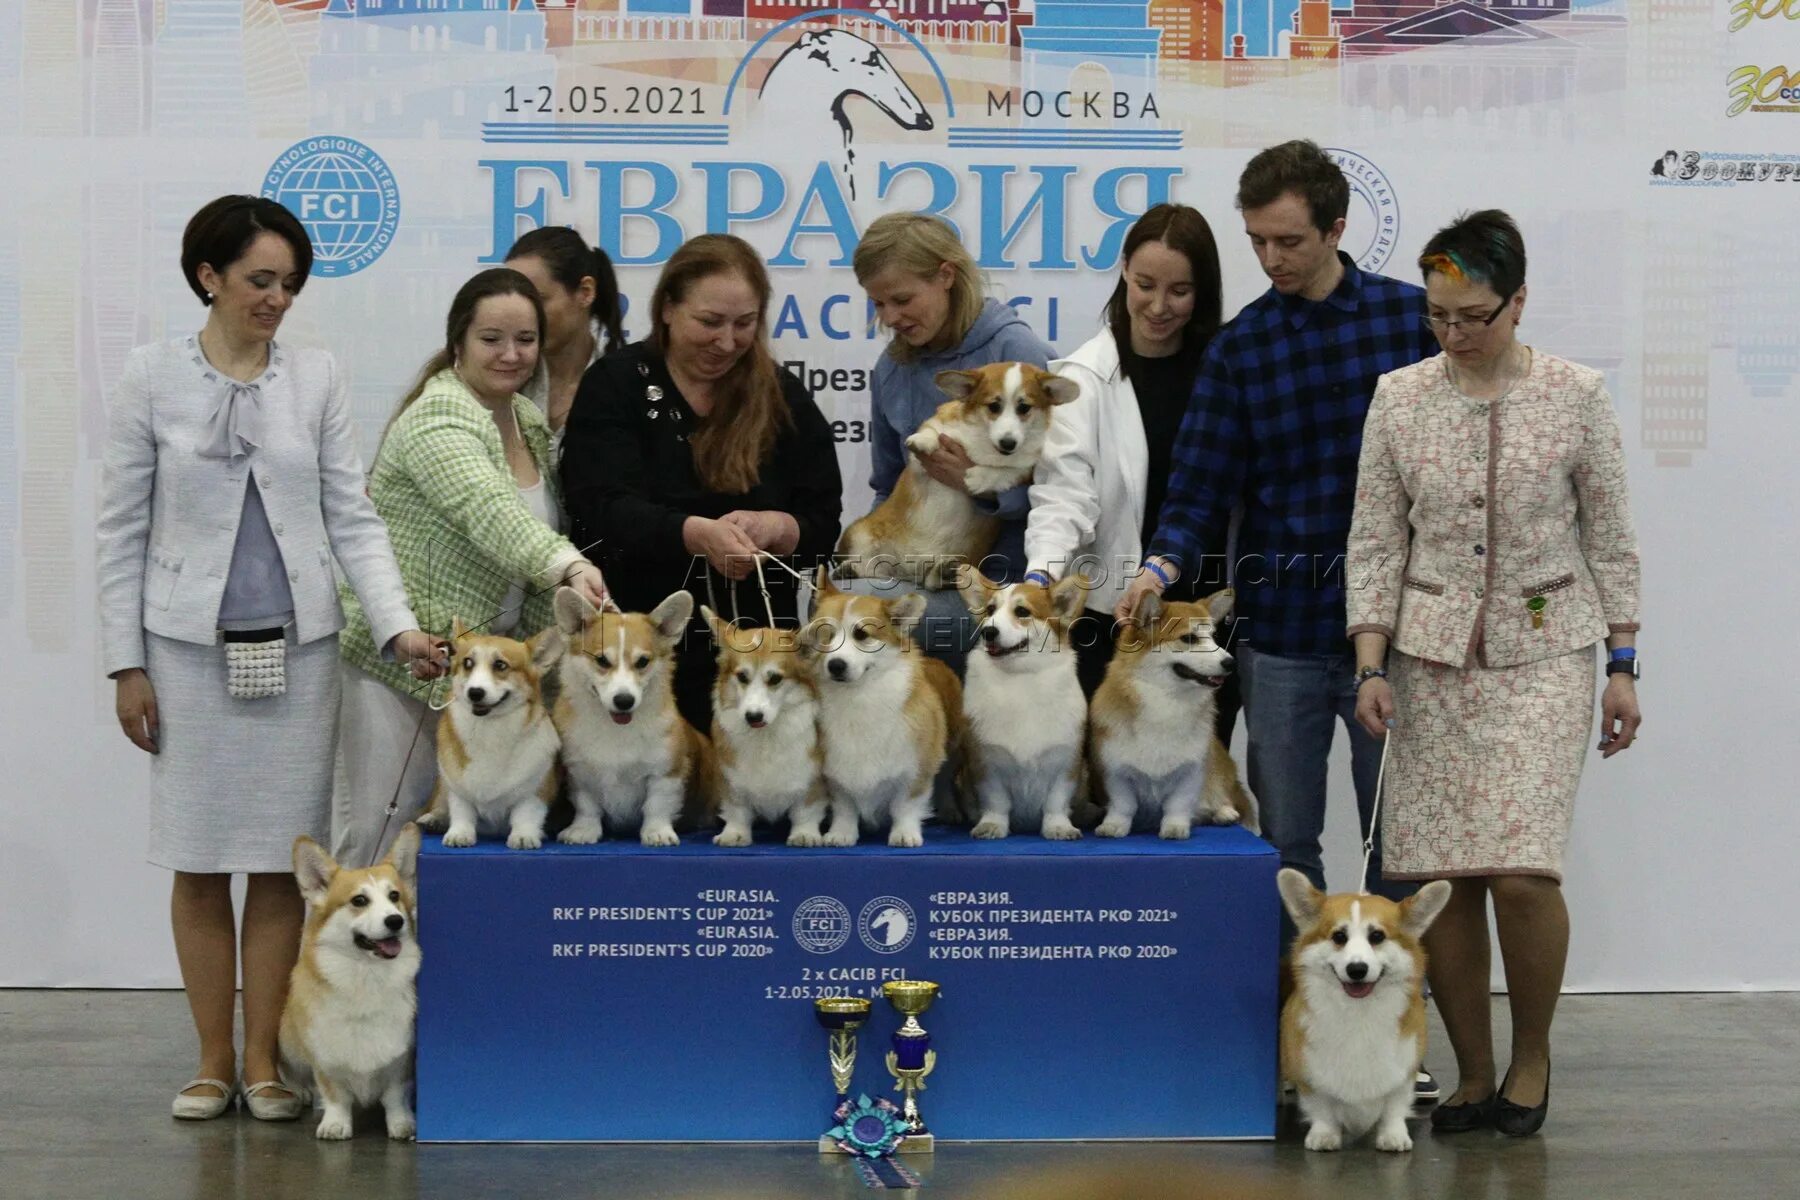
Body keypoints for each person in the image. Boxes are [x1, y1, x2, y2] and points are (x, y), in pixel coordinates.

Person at [96, 196, 440, 1122]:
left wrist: (399, 624)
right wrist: (124, 662)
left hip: (302, 651)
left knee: (284, 867)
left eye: (289, 283)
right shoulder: (148, 377)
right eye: (260, 280)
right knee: (202, 861)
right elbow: (120, 529)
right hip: (183, 654)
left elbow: (351, 517)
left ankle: (263, 1063)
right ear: (208, 276)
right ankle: (210, 1061)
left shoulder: (316, 377)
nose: (278, 299)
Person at [1113, 141, 1438, 1097]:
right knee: (1288, 850)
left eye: (1288, 240)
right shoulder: (1241, 346)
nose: (1270, 260)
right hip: (1284, 634)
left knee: (1403, 851)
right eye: (1256, 241)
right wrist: (1160, 564)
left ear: (1338, 229)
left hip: (1404, 636)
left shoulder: (1406, 323)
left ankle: (1399, 1061)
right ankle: (1301, 1058)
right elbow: (1199, 488)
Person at [1348, 210, 1641, 1137]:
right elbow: (1372, 538)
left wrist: (1624, 664)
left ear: (1519, 302)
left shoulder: (1577, 393)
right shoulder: (1398, 397)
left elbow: (1613, 535)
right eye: (1438, 315)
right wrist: (1369, 659)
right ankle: (1472, 1073)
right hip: (1428, 661)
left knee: (1521, 872)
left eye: (1473, 314)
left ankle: (1534, 1056)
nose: (1454, 333)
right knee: (1447, 877)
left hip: (1550, 649)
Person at [332, 268, 610, 865]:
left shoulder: (526, 421)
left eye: (527, 340)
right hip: (409, 668)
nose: (512, 355)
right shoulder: (439, 419)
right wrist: (566, 565)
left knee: (483, 842)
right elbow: (489, 512)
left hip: (491, 675)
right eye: (492, 339)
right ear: (458, 342)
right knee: (385, 838)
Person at [561, 234, 843, 732]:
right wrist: (693, 533)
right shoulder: (616, 384)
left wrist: (777, 527)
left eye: (745, 324)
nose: (728, 341)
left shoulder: (782, 395)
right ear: (667, 308)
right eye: (710, 322)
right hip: (636, 661)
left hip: (758, 670)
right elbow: (597, 508)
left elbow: (823, 519)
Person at [1025, 202, 1241, 745]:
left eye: (1180, 291)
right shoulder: (1082, 377)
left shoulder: (1228, 367)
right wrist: (1040, 577)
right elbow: (1063, 494)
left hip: (1206, 608)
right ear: (1122, 270)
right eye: (1145, 284)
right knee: (1106, 792)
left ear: (1204, 291)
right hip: (1113, 617)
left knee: (1193, 790)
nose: (1159, 306)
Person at [851, 212, 1055, 673]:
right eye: (878, 304)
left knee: (855, 620)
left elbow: (1062, 498)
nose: (890, 318)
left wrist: (977, 486)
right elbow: (887, 487)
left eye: (901, 299)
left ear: (946, 275)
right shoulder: (891, 370)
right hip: (914, 572)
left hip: (1003, 589)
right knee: (839, 603)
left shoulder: (1015, 353)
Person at [504, 225, 624, 460]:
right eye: (512, 301)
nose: (522, 315)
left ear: (585, 292)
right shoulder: (496, 377)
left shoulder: (625, 388)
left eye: (537, 299)